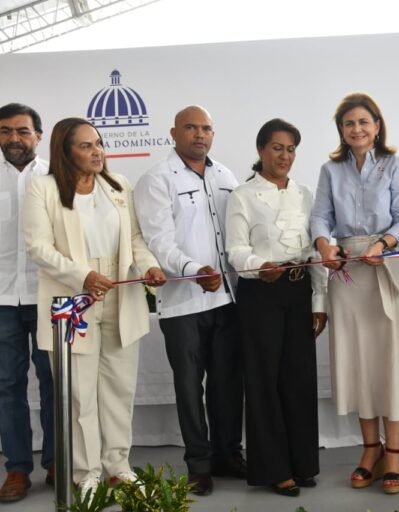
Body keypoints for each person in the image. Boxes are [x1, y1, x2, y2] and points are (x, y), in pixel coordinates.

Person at [22, 117, 165, 498]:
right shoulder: (44, 188)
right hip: (72, 298)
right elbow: (38, 247)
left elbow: (134, 237)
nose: (97, 151)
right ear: (64, 151)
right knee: (79, 393)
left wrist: (148, 264)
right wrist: (82, 275)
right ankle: (86, 473)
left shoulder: (119, 185)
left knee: (119, 388)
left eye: (98, 143)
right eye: (86, 146)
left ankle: (118, 466)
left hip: (120, 293)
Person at [311, 93, 399, 495]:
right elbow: (320, 217)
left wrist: (383, 244)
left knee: (390, 362)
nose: (357, 129)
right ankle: (370, 450)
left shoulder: (398, 167)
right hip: (348, 275)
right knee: (359, 363)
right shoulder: (330, 171)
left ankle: (395, 453)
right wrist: (325, 246)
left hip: (389, 267)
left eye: (364, 122)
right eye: (349, 124)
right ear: (341, 131)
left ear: (378, 126)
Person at [133, 106, 244, 496]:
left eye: (207, 128)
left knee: (228, 383)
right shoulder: (156, 179)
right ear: (173, 133)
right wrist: (195, 268)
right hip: (183, 303)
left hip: (227, 299)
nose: (200, 134)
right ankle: (198, 463)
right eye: (191, 127)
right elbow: (158, 240)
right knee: (188, 387)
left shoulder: (225, 175)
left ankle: (227, 454)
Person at [226, 119, 327, 497]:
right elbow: (235, 249)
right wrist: (258, 267)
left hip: (299, 292)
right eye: (276, 148)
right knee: (263, 382)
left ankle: (302, 463)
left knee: (299, 380)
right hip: (261, 295)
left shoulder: (305, 194)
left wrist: (319, 301)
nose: (284, 156)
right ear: (260, 150)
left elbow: (317, 250)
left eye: (290, 149)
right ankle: (273, 468)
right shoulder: (243, 195)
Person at [0, 103, 54, 503]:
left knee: (55, 382)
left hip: (48, 295)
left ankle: (56, 462)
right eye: (4, 131)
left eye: (21, 131)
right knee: (7, 386)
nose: (13, 139)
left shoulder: (57, 176)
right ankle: (17, 468)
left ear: (38, 134)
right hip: (1, 298)